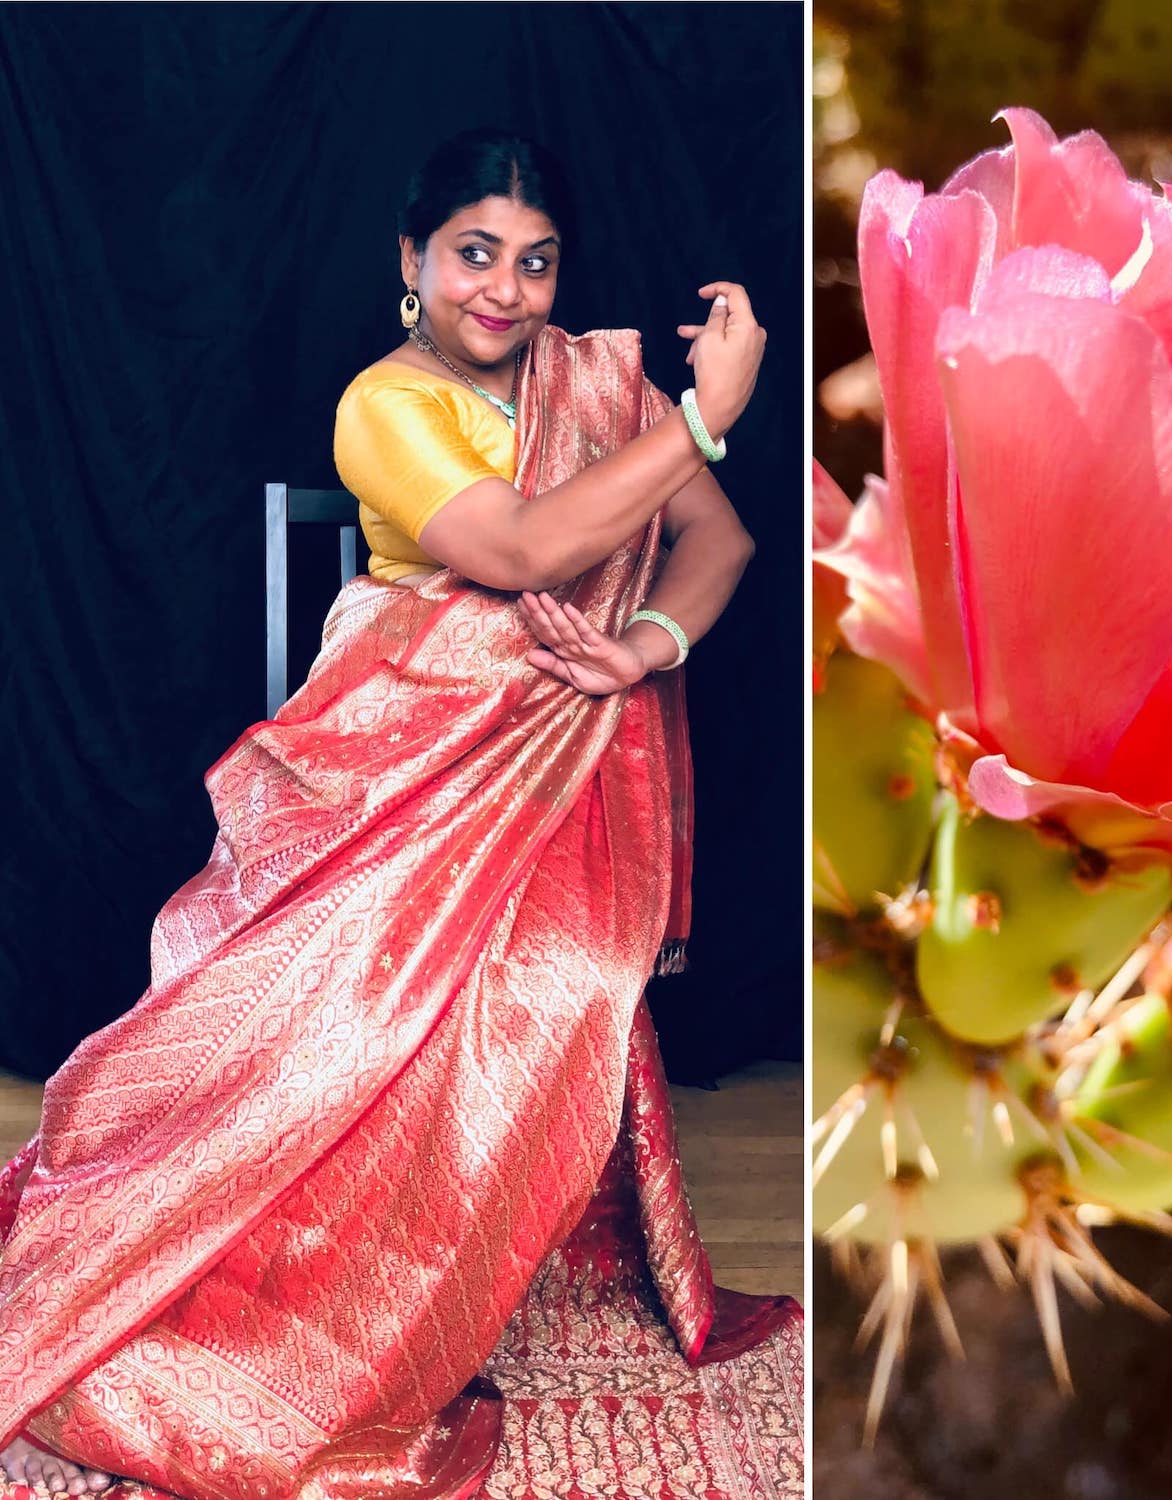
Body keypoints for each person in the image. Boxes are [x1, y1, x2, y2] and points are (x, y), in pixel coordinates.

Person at [0, 129, 792, 1499]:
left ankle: (406, 1296)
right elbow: (525, 552)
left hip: (556, 763)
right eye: (476, 254)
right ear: (412, 264)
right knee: (357, 1019)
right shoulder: (385, 403)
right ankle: (299, 1318)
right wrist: (702, 418)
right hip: (392, 764)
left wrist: (645, 646)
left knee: (562, 984)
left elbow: (718, 539)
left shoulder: (591, 384)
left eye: (536, 262)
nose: (507, 290)